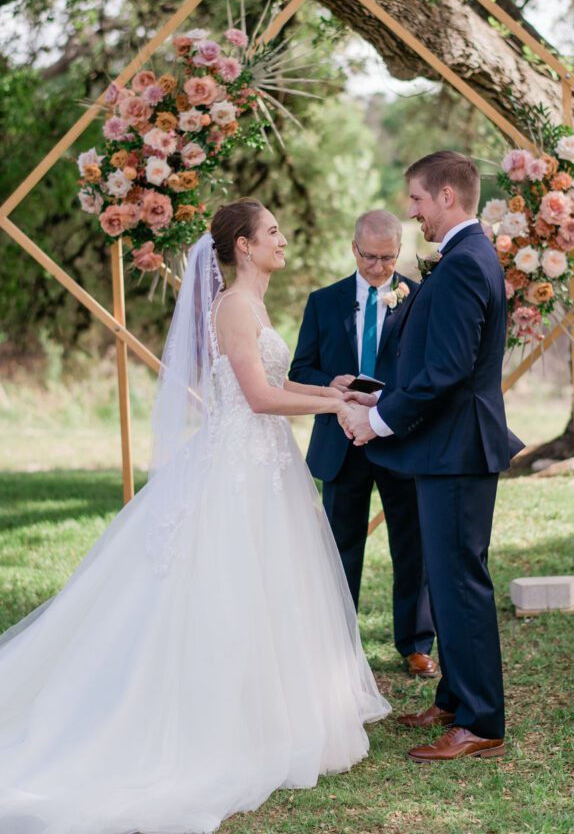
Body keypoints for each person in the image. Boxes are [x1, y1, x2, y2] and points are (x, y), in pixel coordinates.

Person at [0, 198, 389, 834]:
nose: (282, 239)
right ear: (243, 246)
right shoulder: (235, 306)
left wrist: (332, 389)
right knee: (229, 585)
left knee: (271, 588)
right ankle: (225, 720)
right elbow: (259, 399)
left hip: (264, 464)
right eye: (271, 232)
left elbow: (268, 383)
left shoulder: (253, 303)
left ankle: (277, 709)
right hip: (238, 467)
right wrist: (333, 411)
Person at [340, 152, 524, 762]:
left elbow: (447, 371)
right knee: (446, 581)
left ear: (446, 196)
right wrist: (383, 396)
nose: (411, 212)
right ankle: (452, 699)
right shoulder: (466, 258)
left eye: (416, 200)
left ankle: (481, 722)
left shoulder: (466, 264)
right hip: (446, 447)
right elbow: (436, 365)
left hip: (458, 449)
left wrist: (378, 420)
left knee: (460, 582)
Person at [290, 210, 436, 677]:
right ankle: (338, 644)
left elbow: (428, 371)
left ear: (399, 251)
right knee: (340, 546)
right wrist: (328, 383)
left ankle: (415, 643)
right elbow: (299, 372)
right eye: (370, 257)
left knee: (410, 546)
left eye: (388, 258)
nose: (378, 268)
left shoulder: (419, 298)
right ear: (354, 249)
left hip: (399, 439)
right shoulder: (323, 301)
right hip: (342, 440)